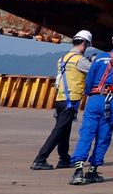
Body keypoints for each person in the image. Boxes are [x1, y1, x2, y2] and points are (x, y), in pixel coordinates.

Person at [73, 25, 113, 184]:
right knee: (104, 136)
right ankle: (93, 171)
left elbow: (89, 81)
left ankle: (78, 171)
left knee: (86, 134)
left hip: (95, 98)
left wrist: (91, 95)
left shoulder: (100, 58)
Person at [31, 30, 94, 170]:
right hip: (71, 100)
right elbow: (94, 71)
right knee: (59, 130)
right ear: (84, 43)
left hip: (60, 98)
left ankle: (64, 158)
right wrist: (94, 61)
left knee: (65, 129)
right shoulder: (80, 60)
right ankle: (40, 159)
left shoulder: (63, 59)